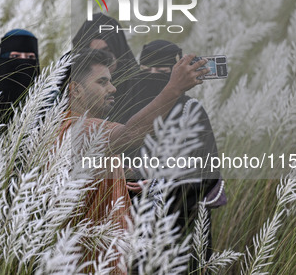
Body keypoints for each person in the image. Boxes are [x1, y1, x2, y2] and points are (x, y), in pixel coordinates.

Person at [63, 48, 207, 272]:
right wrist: (174, 88)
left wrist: (125, 177)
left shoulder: (68, 131)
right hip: (92, 265)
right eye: (102, 82)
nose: (113, 88)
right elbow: (131, 134)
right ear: (76, 90)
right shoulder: (81, 128)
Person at [132, 39, 226, 263]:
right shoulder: (128, 108)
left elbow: (207, 174)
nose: (154, 77)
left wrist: (158, 183)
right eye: (147, 71)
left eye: (163, 72)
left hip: (181, 231)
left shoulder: (190, 110)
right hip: (132, 229)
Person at [72, 13, 140, 124]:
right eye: (94, 54)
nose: (103, 59)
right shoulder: (70, 92)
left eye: (107, 51)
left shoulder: (144, 88)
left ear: (119, 50)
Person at [0, 29, 40, 126]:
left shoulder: (49, 95)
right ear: (3, 58)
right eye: (15, 56)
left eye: (30, 57)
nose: (23, 61)